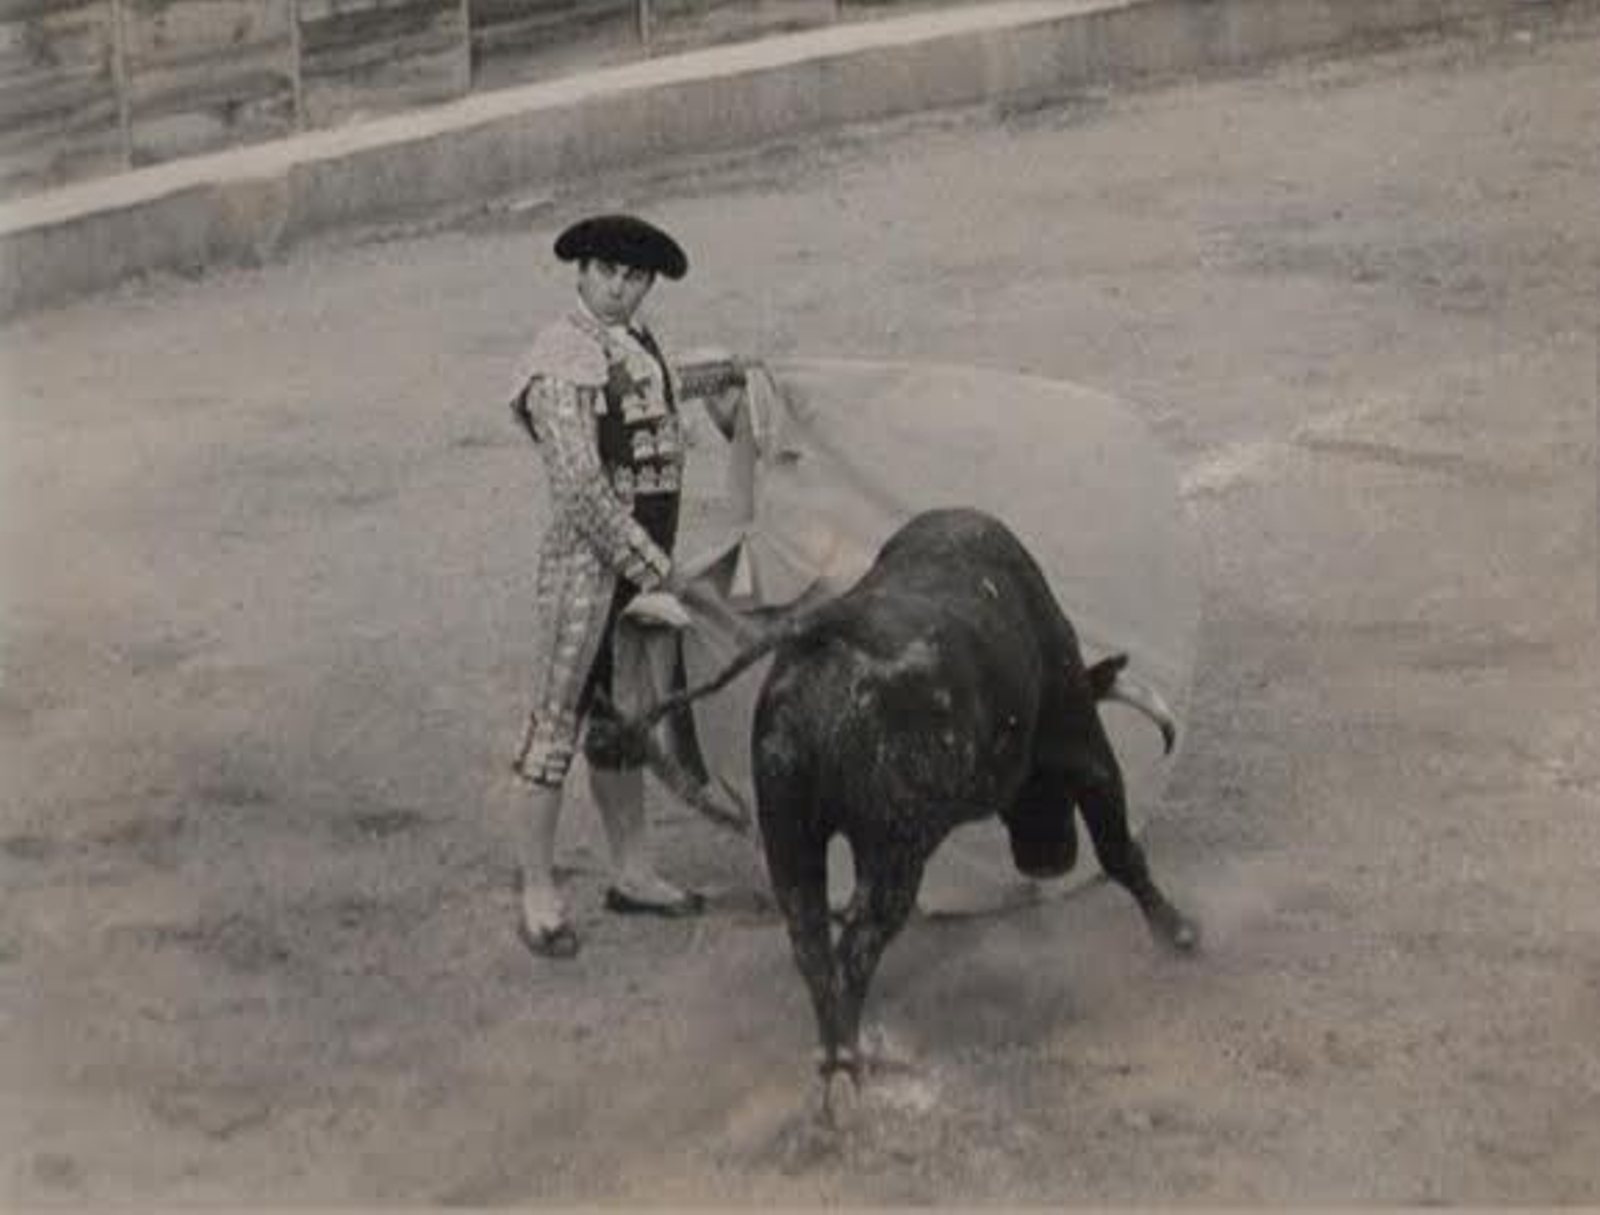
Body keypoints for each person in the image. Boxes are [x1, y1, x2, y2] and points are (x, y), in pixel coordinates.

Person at [505, 213, 754, 959]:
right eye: (607, 273)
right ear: (581, 272)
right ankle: (537, 891)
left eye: (634, 277)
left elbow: (659, 392)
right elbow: (581, 491)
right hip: (585, 576)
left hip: (637, 575)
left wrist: (735, 373)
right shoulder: (558, 359)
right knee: (555, 726)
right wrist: (658, 569)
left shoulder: (634, 342)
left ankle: (633, 872)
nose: (619, 288)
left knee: (624, 727)